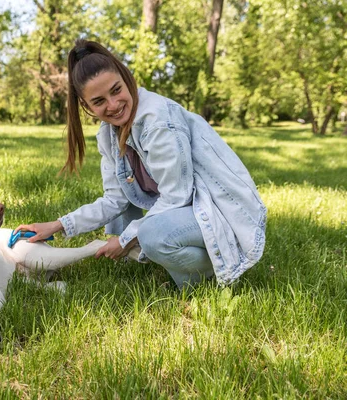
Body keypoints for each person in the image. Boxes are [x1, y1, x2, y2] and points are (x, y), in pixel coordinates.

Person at [15, 39, 267, 288]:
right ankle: (164, 259)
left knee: (152, 235)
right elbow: (114, 200)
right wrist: (58, 226)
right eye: (99, 101)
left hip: (219, 208)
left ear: (127, 78)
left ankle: (206, 279)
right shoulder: (108, 133)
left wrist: (125, 239)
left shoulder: (157, 120)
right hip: (189, 207)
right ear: (86, 105)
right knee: (125, 208)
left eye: (116, 90)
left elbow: (177, 195)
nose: (113, 105)